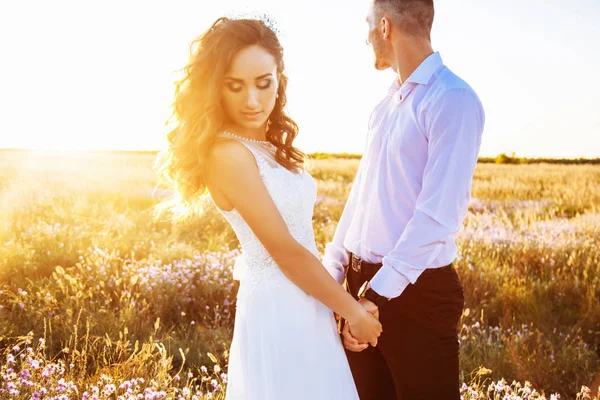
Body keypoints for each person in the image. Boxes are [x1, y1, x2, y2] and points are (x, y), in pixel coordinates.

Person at [154, 17, 381, 399]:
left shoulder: (270, 149)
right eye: (235, 86)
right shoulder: (227, 154)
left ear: (279, 80)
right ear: (216, 88)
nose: (252, 100)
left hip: (308, 302)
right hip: (278, 309)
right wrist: (353, 311)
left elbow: (302, 242)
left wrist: (337, 307)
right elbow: (285, 250)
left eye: (264, 83)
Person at [322, 0, 486, 398]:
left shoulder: (452, 99)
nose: (365, 38)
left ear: (384, 27)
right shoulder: (384, 107)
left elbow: (438, 217)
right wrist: (336, 277)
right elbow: (361, 198)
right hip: (362, 289)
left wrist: (376, 295)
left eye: (366, 26)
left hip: (417, 295)